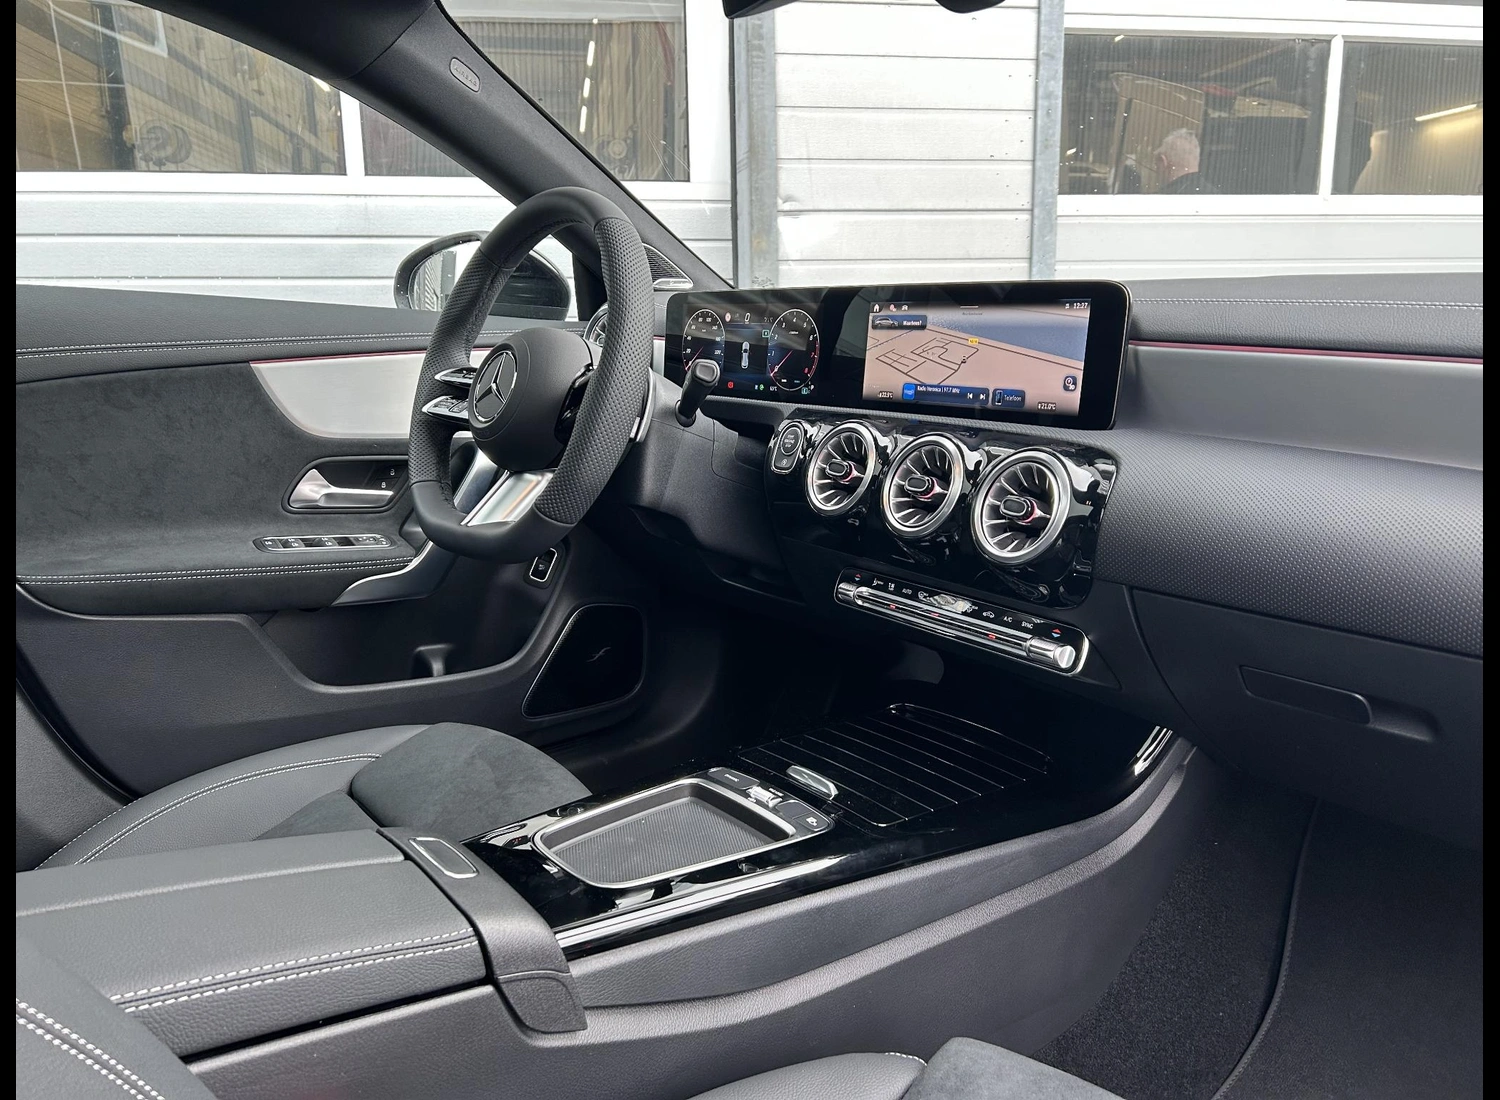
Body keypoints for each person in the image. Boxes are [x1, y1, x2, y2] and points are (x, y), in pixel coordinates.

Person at [1153, 128, 1218, 195]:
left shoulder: (1161, 197)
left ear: (1163, 162)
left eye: (1156, 165)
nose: (1155, 170)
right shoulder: (1215, 195)